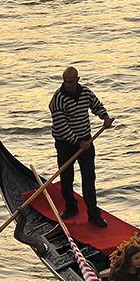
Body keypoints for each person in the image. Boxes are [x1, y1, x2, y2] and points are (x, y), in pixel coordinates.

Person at [49, 66, 115, 227]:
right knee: (66, 177)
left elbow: (96, 105)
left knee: (89, 178)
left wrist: (104, 116)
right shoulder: (57, 99)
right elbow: (61, 126)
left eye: (71, 81)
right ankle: (71, 207)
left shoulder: (85, 92)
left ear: (78, 80)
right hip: (65, 143)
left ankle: (93, 215)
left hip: (86, 140)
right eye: (65, 81)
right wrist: (79, 143)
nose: (68, 84)